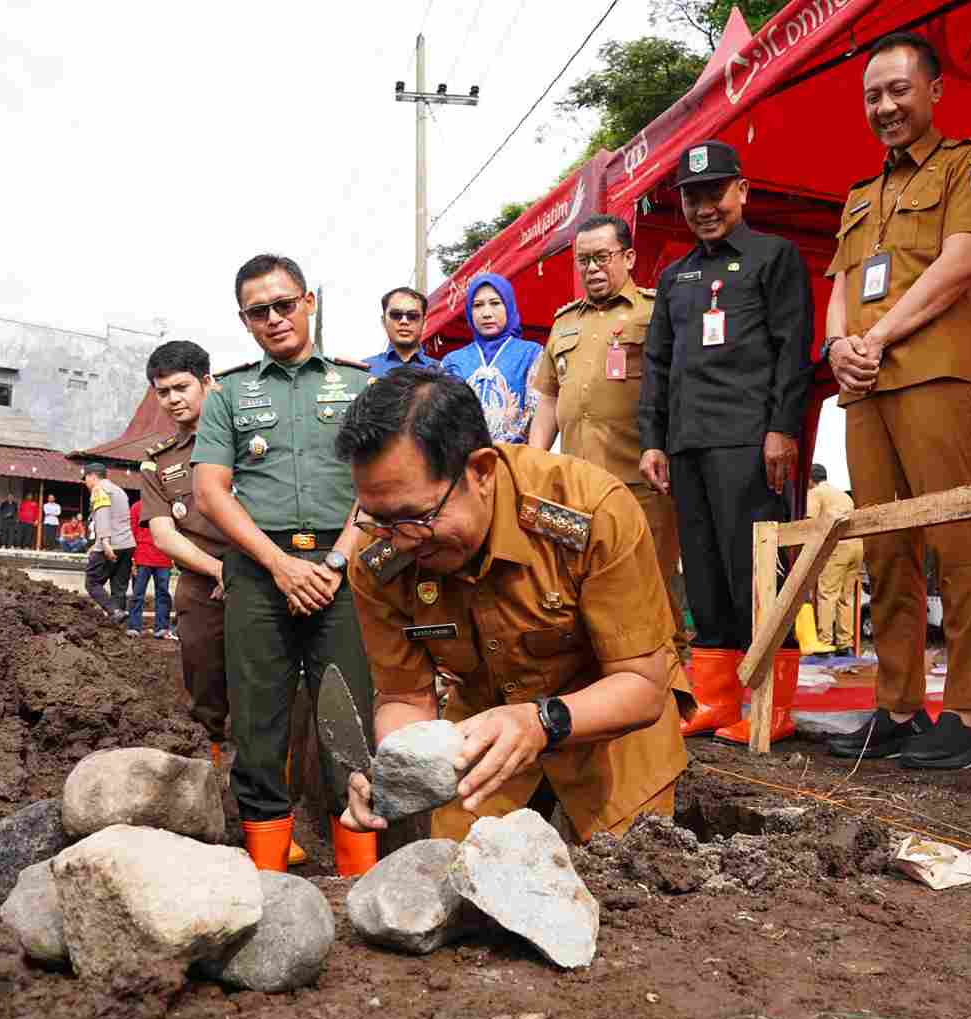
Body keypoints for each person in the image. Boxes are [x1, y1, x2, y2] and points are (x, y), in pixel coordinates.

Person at [336, 368, 690, 844]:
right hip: (481, 748)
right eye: (379, 520)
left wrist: (542, 721)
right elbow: (405, 698)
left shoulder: (592, 511)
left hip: (614, 741)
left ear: (480, 471)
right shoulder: (377, 558)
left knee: (626, 886)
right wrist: (397, 770)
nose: (397, 541)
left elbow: (641, 686)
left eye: (414, 518)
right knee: (460, 886)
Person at [821, 34, 971, 769]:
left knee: (956, 540)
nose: (885, 106)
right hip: (863, 390)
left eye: (899, 90)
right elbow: (840, 287)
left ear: (934, 91)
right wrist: (840, 348)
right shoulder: (859, 196)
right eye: (872, 96)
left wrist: (877, 337)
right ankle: (898, 706)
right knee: (885, 549)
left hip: (935, 374)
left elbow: (961, 264)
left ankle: (970, 711)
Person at [192, 253, 378, 875]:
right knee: (258, 720)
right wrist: (278, 566)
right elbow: (210, 491)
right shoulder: (229, 393)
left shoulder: (359, 386)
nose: (274, 319)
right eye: (258, 311)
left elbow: (377, 485)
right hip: (258, 567)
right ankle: (267, 871)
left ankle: (358, 869)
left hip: (343, 567)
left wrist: (333, 563)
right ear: (244, 320)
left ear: (308, 302)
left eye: (284, 304)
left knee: (347, 716)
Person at [639, 139, 812, 746]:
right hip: (685, 444)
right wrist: (652, 440)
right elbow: (658, 363)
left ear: (742, 189)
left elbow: (794, 350)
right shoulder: (675, 275)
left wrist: (782, 428)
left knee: (754, 574)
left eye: (714, 192)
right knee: (705, 575)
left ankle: (772, 704)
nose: (704, 207)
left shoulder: (775, 257)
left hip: (749, 442)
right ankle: (714, 699)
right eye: (692, 197)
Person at [138, 340, 309, 867]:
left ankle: (281, 823)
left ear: (208, 383)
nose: (172, 399)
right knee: (209, 703)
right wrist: (218, 571)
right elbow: (164, 536)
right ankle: (217, 813)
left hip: (264, 578)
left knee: (272, 702)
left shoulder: (255, 437)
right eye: (162, 392)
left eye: (181, 387)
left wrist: (253, 569)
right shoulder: (157, 464)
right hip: (203, 589)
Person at [530, 214, 690, 661]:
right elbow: (548, 399)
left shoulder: (655, 311)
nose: (592, 268)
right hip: (575, 488)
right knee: (581, 589)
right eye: (583, 260)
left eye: (602, 257)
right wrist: (529, 463)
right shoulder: (563, 323)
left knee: (649, 587)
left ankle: (668, 688)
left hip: (642, 482)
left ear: (629, 257)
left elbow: (680, 388)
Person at [440, 273, 542, 444]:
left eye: (495, 303)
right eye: (478, 305)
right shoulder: (452, 362)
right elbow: (443, 418)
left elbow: (539, 413)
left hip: (515, 461)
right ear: (469, 312)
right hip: (464, 463)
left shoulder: (531, 354)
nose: (486, 313)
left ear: (508, 306)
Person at [806, 464, 863, 655]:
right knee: (846, 597)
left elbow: (810, 522)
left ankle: (824, 644)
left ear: (810, 479)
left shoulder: (816, 493)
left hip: (837, 547)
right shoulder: (843, 496)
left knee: (827, 594)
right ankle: (845, 644)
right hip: (857, 547)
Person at [82, 462, 135, 622]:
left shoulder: (99, 490)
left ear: (93, 476)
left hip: (111, 544)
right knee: (119, 588)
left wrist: (104, 542)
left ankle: (114, 611)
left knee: (92, 582)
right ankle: (118, 624)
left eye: (86, 478)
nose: (85, 482)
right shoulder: (119, 491)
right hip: (127, 543)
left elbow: (103, 516)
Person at [362, 287, 440, 378]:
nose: (404, 321)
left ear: (424, 323)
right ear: (383, 321)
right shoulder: (365, 370)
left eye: (413, 316)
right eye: (396, 315)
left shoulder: (440, 372)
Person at [127, 498, 175, 639]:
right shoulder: (137, 507)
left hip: (162, 556)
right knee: (139, 594)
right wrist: (132, 558)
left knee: (161, 595)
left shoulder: (168, 507)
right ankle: (135, 626)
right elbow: (132, 531)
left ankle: (161, 627)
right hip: (143, 555)